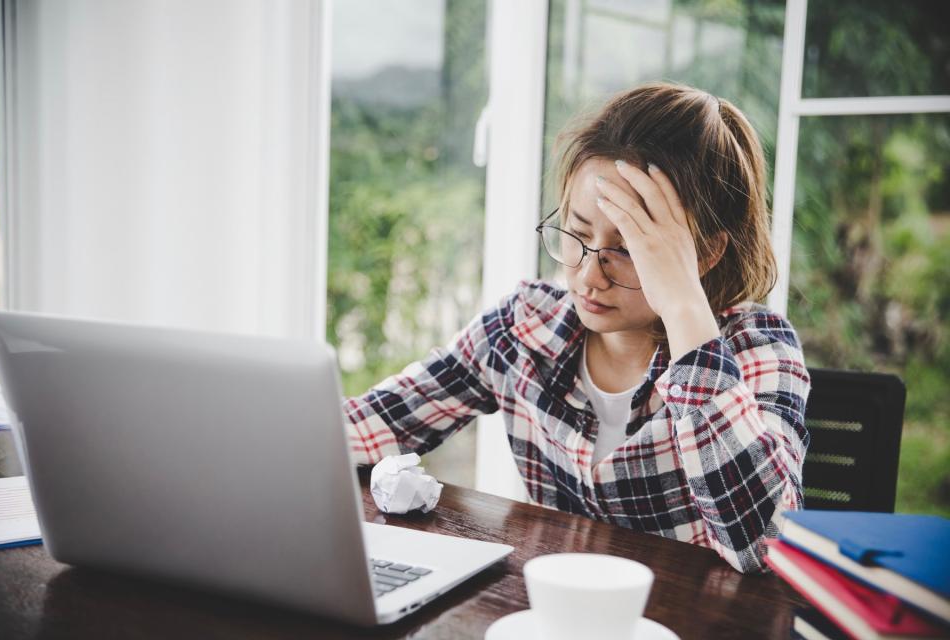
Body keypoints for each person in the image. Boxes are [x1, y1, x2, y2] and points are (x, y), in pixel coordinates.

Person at [342, 81, 810, 574]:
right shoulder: (525, 326)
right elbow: (374, 425)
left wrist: (685, 310)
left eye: (627, 249)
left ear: (706, 253)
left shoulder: (758, 348)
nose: (588, 275)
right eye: (577, 233)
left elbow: (765, 547)